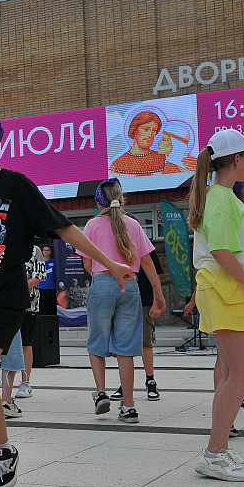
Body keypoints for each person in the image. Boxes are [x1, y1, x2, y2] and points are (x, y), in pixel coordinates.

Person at [0, 115, 133, 487]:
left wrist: (110, 261)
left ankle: (3, 450)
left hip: (2, 297)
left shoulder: (16, 186)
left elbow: (63, 228)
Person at [187, 128, 244, 482]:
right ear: (236, 159)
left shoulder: (219, 196)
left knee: (236, 371)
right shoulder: (221, 198)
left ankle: (217, 450)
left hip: (225, 291)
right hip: (225, 291)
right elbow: (220, 250)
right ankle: (213, 453)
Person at [79, 178, 165, 424]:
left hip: (103, 284)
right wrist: (158, 294)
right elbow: (147, 262)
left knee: (97, 342)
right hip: (130, 285)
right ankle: (129, 407)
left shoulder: (92, 225)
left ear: (99, 202)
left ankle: (101, 393)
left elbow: (87, 264)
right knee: (125, 348)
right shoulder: (134, 225)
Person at [111, 239, 164, 402]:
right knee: (123, 346)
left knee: (145, 343)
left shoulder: (145, 246)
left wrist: (156, 301)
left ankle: (150, 381)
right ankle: (124, 384)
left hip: (144, 301)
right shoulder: (116, 246)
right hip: (123, 301)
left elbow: (155, 275)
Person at [109, 110, 193, 176]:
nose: (150, 135)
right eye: (146, 129)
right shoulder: (118, 163)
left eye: (154, 130)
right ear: (134, 130)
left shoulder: (163, 158)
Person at [12, 245, 46, 400]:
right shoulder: (3, 245)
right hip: (6, 304)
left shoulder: (35, 250)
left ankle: (25, 383)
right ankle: (7, 377)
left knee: (26, 343)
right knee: (4, 343)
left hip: (29, 303)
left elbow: (38, 277)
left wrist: (16, 288)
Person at [38, 245, 57, 316]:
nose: (46, 252)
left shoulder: (54, 262)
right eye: (44, 250)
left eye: (47, 250)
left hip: (51, 288)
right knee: (41, 307)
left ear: (50, 252)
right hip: (41, 287)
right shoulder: (39, 262)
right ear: (42, 252)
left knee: (51, 307)